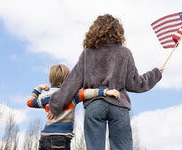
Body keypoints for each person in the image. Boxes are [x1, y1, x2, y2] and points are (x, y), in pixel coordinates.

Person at [48, 14, 164, 150]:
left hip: (95, 105)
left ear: (95, 31)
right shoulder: (125, 53)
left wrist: (56, 105)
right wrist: (155, 74)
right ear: (118, 32)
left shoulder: (87, 53)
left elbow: (72, 82)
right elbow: (136, 83)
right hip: (119, 105)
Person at [27, 64, 121, 150]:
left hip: (44, 138)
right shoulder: (71, 96)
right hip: (60, 139)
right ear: (68, 79)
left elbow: (30, 102)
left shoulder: (45, 97)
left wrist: (39, 88)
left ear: (51, 79)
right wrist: (105, 92)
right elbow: (86, 92)